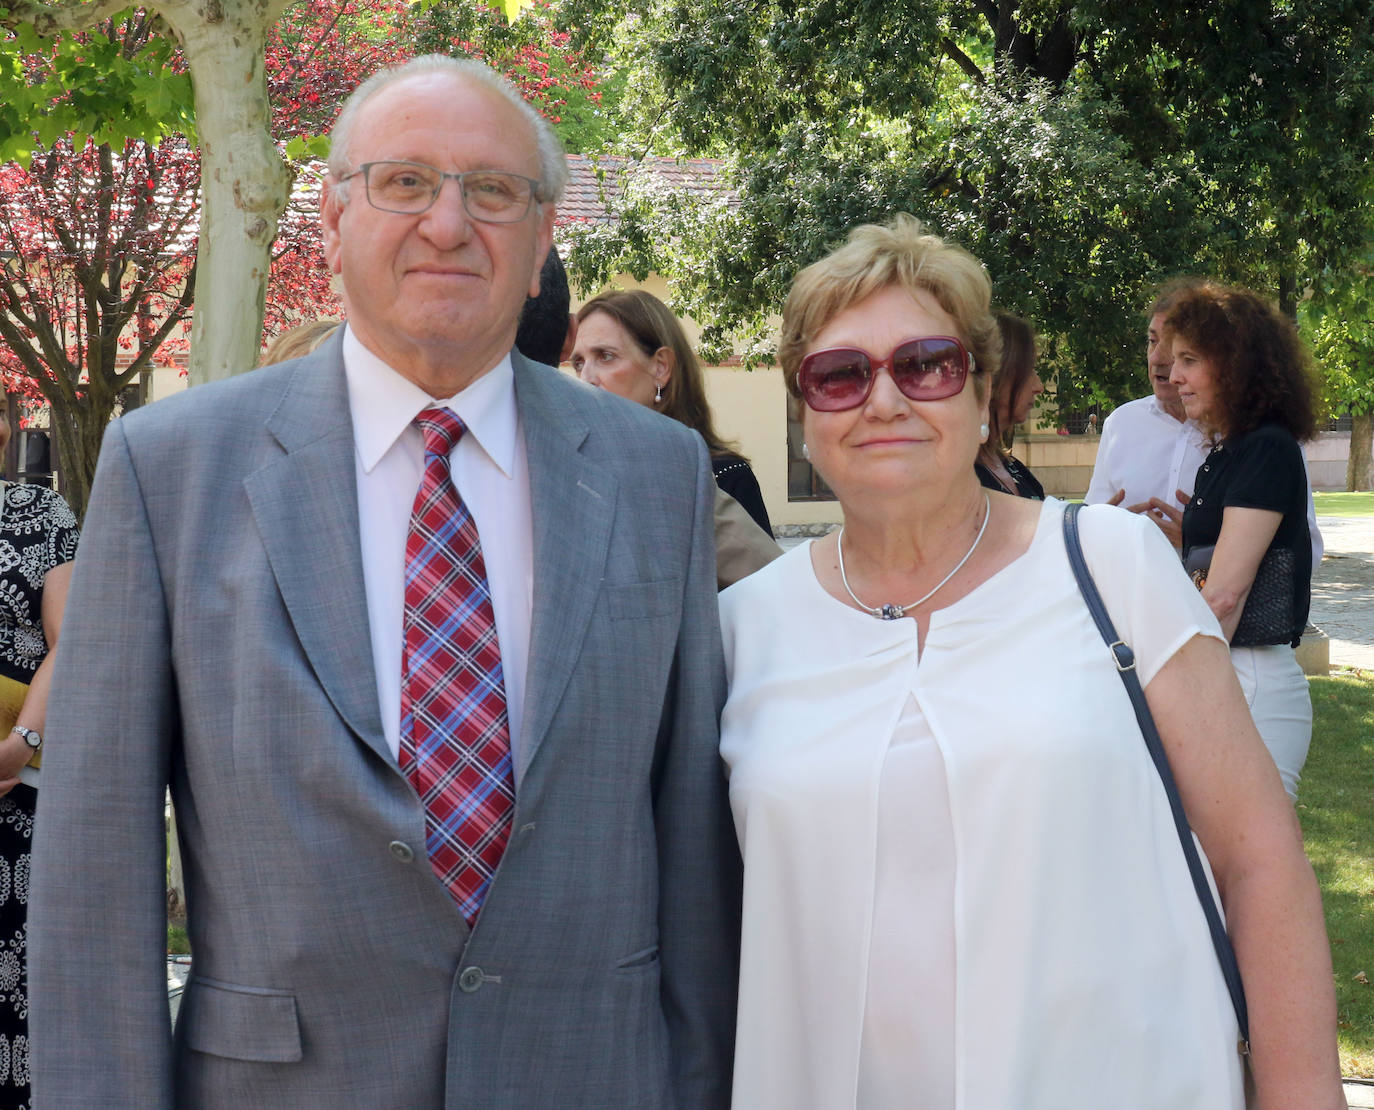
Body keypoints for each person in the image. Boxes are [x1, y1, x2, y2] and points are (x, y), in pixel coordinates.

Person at [29, 55, 740, 1109]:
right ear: (333, 215)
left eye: (493, 191)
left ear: (545, 238)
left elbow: (687, 845)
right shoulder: (170, 469)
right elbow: (96, 869)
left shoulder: (655, 474)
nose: (450, 224)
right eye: (405, 181)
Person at [718, 214, 1343, 1109]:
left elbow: (1260, 865)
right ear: (805, 413)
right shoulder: (741, 633)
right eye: (840, 374)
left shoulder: (1111, 565)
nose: (884, 399)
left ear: (980, 396)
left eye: (925, 364)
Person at [1160, 282, 1319, 800]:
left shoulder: (1265, 449)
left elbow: (1225, 595)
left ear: (1234, 364)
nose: (1173, 374)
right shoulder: (1232, 451)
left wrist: (1168, 685)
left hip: (1247, 677)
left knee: (1251, 870)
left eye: (1189, 359)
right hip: (1227, 667)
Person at [1085, 284, 1323, 567]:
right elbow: (1088, 528)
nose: (1159, 359)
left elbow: (1304, 549)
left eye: (1179, 350)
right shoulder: (1121, 424)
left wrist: (1201, 545)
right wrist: (1105, 529)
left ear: (1227, 359)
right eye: (1152, 341)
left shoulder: (1264, 442)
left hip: (1213, 610)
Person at [0, 392, 78, 1110]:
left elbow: (70, 640)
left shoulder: (41, 516)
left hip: (12, 791)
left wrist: (21, 742)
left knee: (11, 989)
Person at [572, 288, 774, 535]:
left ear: (660, 367)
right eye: (578, 363)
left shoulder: (723, 479)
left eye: (605, 356)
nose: (585, 379)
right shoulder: (575, 477)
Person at [974, 310, 1044, 498]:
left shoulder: (1012, 467)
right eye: (1028, 370)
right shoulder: (957, 477)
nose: (1039, 386)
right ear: (995, 377)